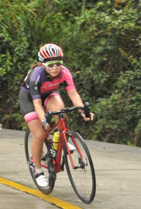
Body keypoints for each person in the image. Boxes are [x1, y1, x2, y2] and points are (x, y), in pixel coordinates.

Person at [20, 43, 94, 189]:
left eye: (58, 63)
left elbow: (73, 94)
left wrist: (82, 111)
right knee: (40, 134)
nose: (55, 68)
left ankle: (62, 137)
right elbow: (37, 104)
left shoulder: (64, 72)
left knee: (61, 111)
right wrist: (43, 120)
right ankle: (38, 170)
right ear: (42, 63)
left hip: (50, 94)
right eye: (51, 64)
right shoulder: (37, 75)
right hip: (30, 98)